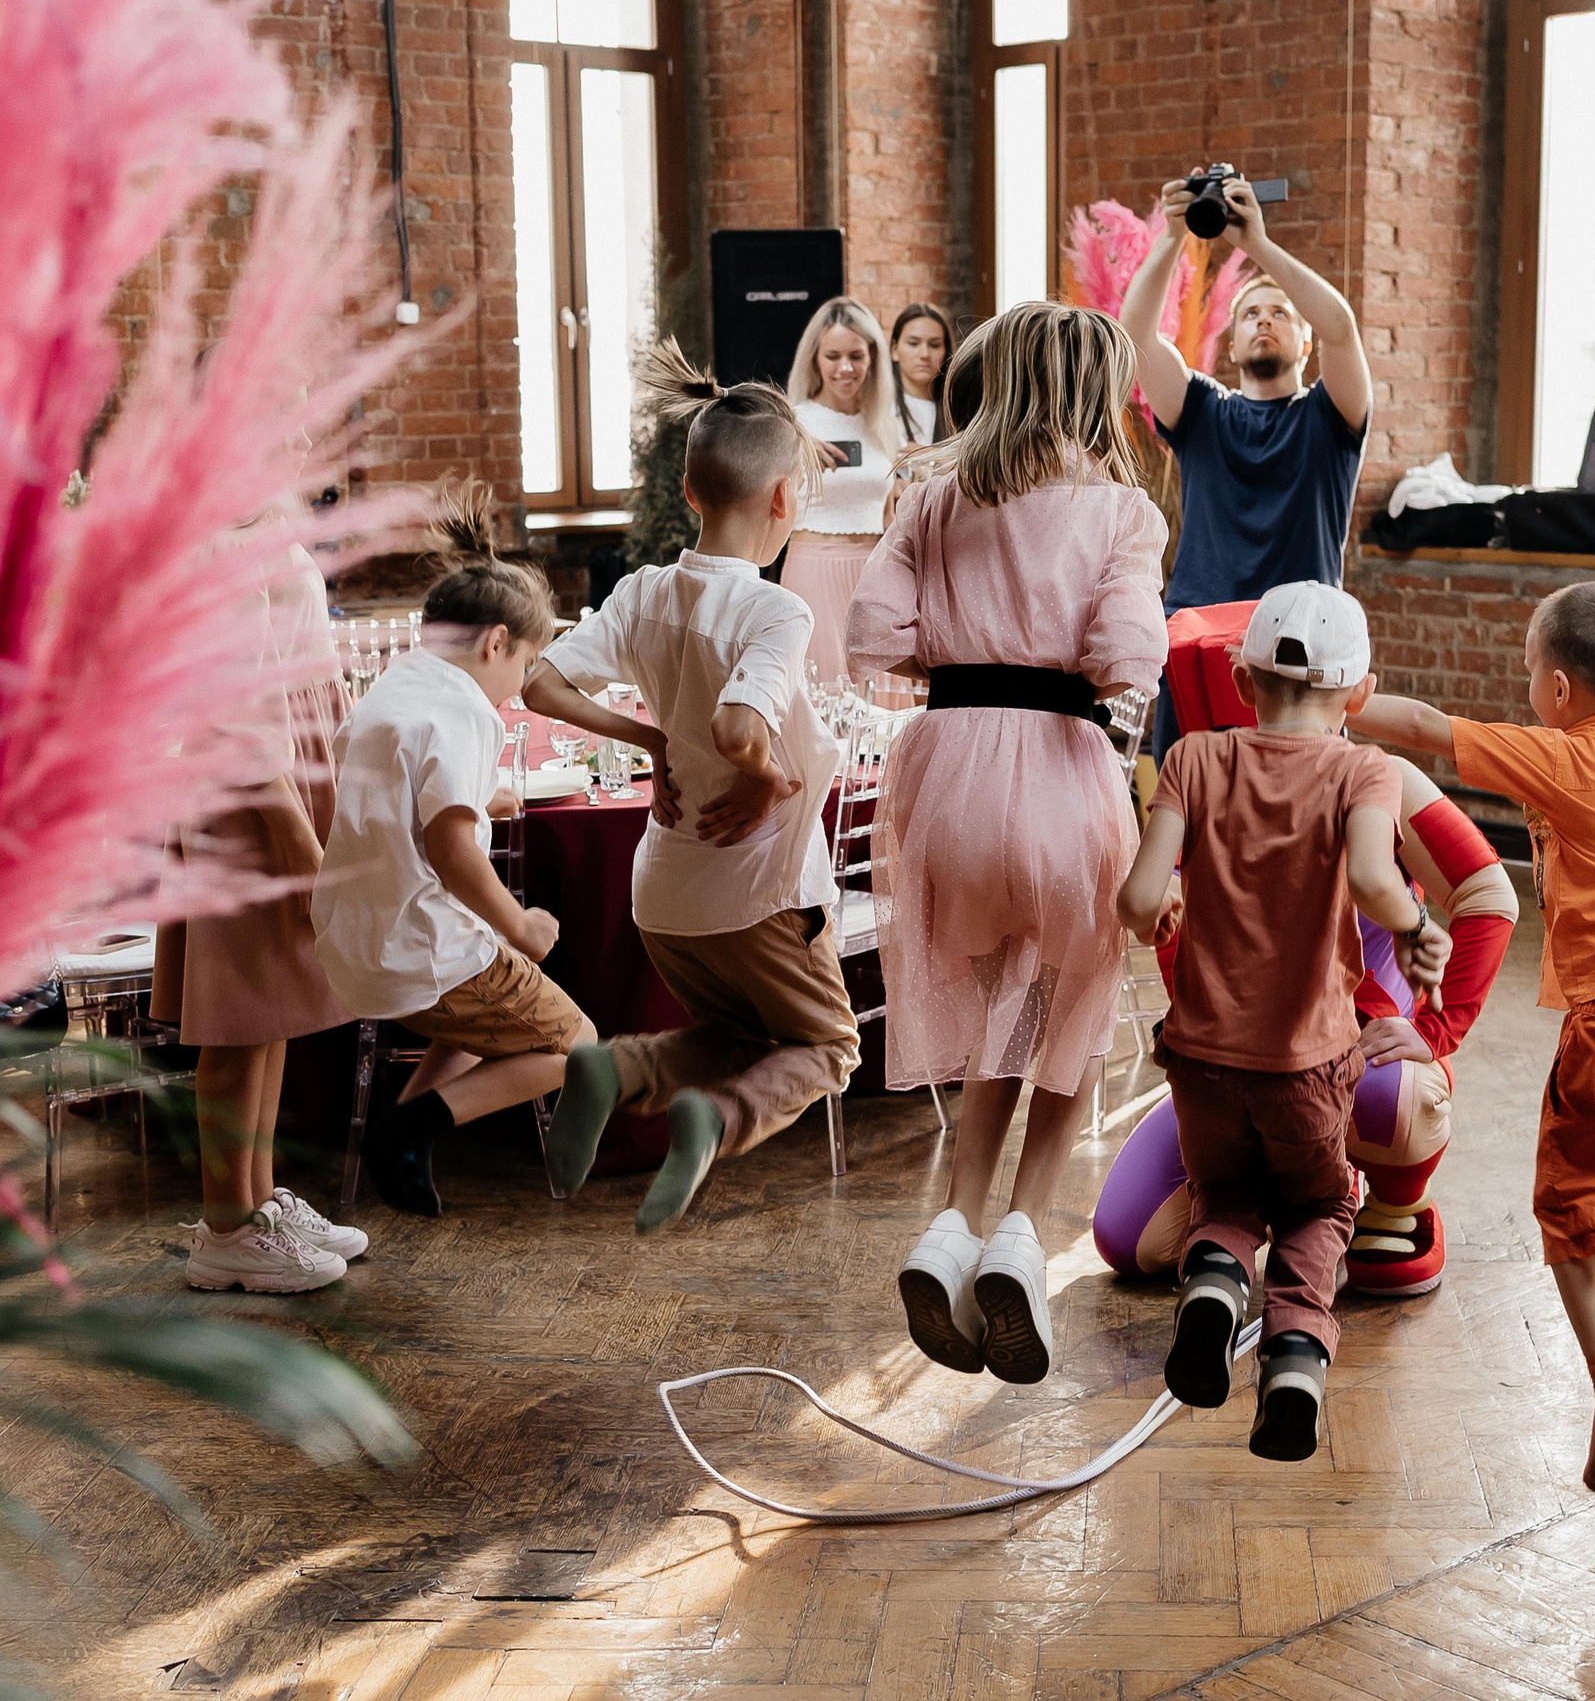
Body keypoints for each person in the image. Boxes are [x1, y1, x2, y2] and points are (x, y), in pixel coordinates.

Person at [848, 300, 1172, 1387]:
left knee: (1004, 1000)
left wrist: (963, 649)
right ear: (1090, 393)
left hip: (941, 779)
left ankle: (948, 1229)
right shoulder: (1120, 510)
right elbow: (1128, 657)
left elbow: (873, 634)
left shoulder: (935, 494)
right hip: (1058, 773)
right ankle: (1024, 1236)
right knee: (1076, 998)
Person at [1352, 581, 1595, 1492]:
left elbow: (1432, 729)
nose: (1529, 687)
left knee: (1575, 1205)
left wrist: (1353, 699)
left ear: (1559, 691)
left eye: (1531, 672)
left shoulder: (1566, 757)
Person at [1116, 583, 1451, 1462]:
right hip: (1306, 1064)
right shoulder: (1362, 770)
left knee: (1224, 1198)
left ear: (1240, 673)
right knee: (1322, 1202)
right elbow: (1381, 885)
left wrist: (1164, 911)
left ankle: (1216, 1291)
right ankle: (1295, 1360)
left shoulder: (1191, 757)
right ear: (1361, 690)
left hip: (1198, 1060)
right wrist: (1419, 931)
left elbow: (1139, 897)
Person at [530, 342, 860, 1231]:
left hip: (666, 897)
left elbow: (540, 684)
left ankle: (614, 1069)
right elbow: (735, 725)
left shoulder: (643, 591)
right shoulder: (774, 608)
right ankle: (714, 1121)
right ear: (786, 500)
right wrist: (769, 775)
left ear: (688, 490)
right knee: (829, 1046)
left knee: (737, 1040)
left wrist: (648, 737)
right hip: (761, 892)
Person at [1091, 752, 1519, 1300]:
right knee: (1128, 1240)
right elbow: (1158, 913)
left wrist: (1436, 1031)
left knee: (1385, 1100)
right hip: (1242, 1068)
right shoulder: (1203, 772)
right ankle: (1279, 1194)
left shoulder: (1379, 777)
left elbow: (1485, 893)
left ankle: (1394, 1198)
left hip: (1355, 1057)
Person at [313, 546, 598, 1218]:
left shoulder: (388, 691)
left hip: (355, 940)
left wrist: (480, 796)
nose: (519, 683)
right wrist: (519, 924)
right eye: (524, 664)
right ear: (497, 642)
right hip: (424, 944)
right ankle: (407, 1128)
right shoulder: (467, 711)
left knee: (485, 1021)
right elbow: (448, 848)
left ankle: (404, 1131)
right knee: (577, 1047)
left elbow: (402, 800)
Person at [163, 537, 364, 1293]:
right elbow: (238, 722)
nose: (307, 437)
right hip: (253, 797)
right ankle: (224, 1228)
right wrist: (303, 849)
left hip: (283, 780)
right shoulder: (225, 540)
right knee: (239, 1017)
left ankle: (259, 1206)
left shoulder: (256, 519)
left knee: (270, 1009)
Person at [1120, 168, 1370, 756]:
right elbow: (1132, 337)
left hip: (1302, 639)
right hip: (1201, 639)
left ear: (1304, 344)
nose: (1263, 320)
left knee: (1298, 813)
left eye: (1280, 313)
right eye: (1250, 314)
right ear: (1229, 346)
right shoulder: (1203, 411)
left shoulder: (1329, 416)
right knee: (1192, 807)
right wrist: (1172, 235)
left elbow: (1341, 325)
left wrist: (1254, 244)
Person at [780, 297, 900, 685]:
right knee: (825, 692)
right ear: (815, 357)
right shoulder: (793, 422)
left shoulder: (884, 424)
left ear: (873, 358)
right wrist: (791, 448)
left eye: (856, 355)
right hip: (813, 567)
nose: (845, 368)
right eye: (833, 355)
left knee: (882, 697)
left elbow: (888, 513)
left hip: (875, 571)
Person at [889, 302, 953, 447]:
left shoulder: (958, 411)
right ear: (895, 349)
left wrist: (929, 457)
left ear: (946, 352)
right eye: (913, 343)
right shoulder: (878, 407)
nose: (924, 354)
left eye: (934, 345)